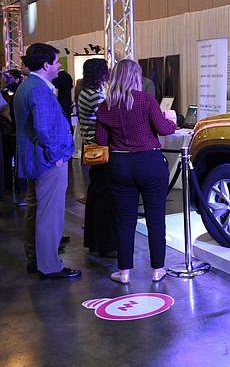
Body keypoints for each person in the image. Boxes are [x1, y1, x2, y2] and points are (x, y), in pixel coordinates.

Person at [96, 59, 177, 284]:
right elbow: (163, 129)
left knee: (124, 220)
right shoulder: (146, 99)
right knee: (155, 218)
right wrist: (172, 121)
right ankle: (158, 270)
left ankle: (124, 272)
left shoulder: (105, 106)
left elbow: (100, 140)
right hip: (149, 163)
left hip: (121, 166)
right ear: (135, 77)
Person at [14, 43, 80, 280]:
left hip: (35, 160)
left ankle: (36, 259)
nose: (59, 66)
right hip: (46, 161)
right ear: (45, 65)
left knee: (36, 211)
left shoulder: (27, 86)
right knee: (49, 215)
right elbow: (44, 129)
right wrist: (57, 157)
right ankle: (50, 266)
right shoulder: (39, 90)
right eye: (55, 62)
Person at [77, 58, 116, 257]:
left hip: (92, 149)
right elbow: (110, 118)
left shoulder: (85, 92)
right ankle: (106, 244)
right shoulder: (95, 96)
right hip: (102, 150)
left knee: (95, 195)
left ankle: (95, 241)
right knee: (104, 198)